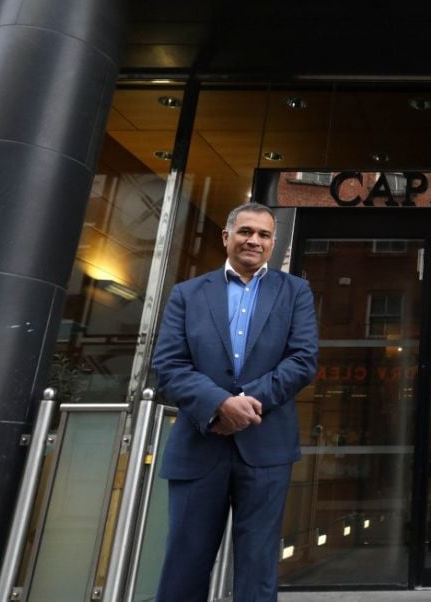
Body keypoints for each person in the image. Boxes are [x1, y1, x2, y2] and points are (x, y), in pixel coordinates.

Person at [152, 202, 318, 601]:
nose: (254, 241)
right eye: (245, 231)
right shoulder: (188, 294)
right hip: (199, 443)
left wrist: (244, 403)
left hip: (265, 448)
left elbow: (303, 359)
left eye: (263, 235)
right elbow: (168, 366)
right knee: (184, 564)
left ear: (273, 243)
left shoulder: (295, 291)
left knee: (258, 568)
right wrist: (218, 405)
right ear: (226, 237)